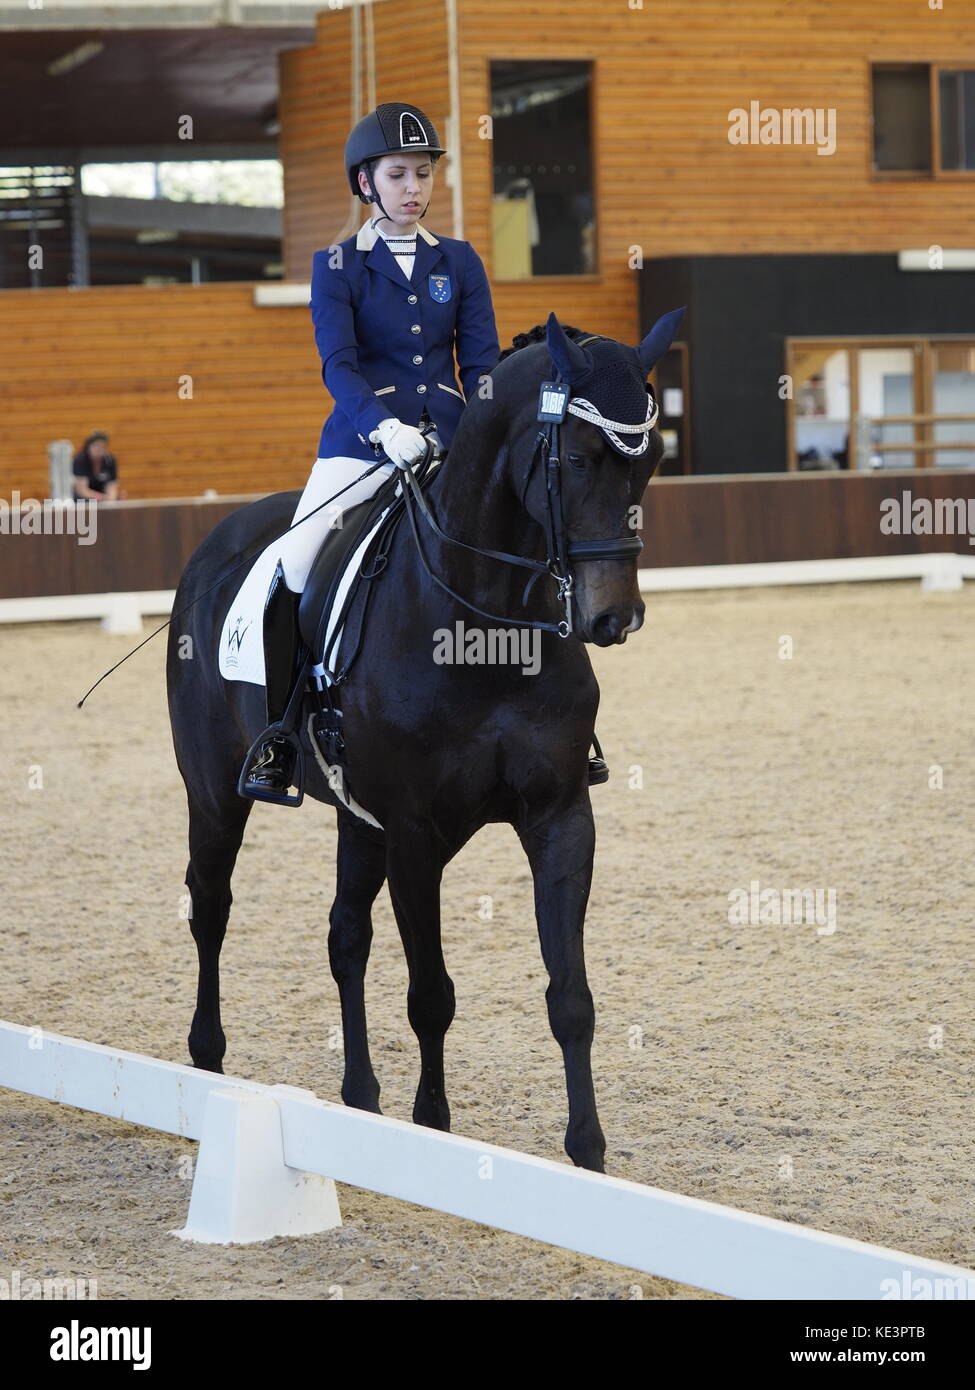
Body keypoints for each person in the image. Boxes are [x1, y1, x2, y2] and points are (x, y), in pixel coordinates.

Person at [240, 101, 608, 802]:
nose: (413, 186)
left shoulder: (459, 261)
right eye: (397, 174)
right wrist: (381, 428)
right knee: (291, 563)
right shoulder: (337, 265)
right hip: (360, 444)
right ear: (365, 184)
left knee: (533, 540)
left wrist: (476, 432)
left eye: (422, 173)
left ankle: (567, 718)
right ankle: (282, 733)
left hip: (449, 437)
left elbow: (480, 364)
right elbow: (338, 364)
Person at [72, 432, 120, 501]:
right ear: (89, 446)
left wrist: (111, 500)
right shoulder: (80, 460)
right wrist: (101, 497)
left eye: (102, 446)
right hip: (84, 498)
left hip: (103, 496)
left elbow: (112, 486)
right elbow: (82, 491)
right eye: (96, 445)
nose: (99, 449)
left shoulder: (110, 460)